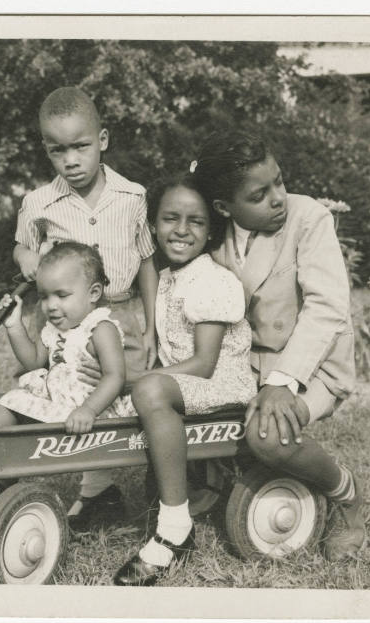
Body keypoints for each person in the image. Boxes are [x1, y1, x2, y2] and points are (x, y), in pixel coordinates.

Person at [195, 129, 363, 563]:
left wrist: (283, 381)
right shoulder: (212, 236)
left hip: (313, 365)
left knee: (268, 436)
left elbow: (328, 307)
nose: (277, 199)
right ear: (223, 207)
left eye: (280, 182)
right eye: (259, 194)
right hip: (246, 364)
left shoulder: (308, 218)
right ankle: (214, 487)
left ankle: (345, 494)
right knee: (185, 407)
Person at [12, 86, 159, 531]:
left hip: (121, 315)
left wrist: (151, 325)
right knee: (68, 393)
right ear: (46, 150)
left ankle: (152, 484)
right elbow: (22, 248)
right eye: (58, 151)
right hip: (67, 322)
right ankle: (93, 491)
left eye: (81, 146)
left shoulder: (132, 196)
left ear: (103, 140)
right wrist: (28, 261)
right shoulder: (38, 202)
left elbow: (147, 259)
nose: (71, 160)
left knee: (123, 399)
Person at [113, 174, 257, 586]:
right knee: (116, 382)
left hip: (220, 383)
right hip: (186, 381)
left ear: (211, 229)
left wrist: (139, 379)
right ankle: (95, 491)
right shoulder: (166, 277)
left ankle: (175, 527)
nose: (181, 229)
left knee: (147, 387)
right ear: (154, 227)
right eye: (170, 218)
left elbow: (204, 363)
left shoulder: (212, 280)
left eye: (195, 221)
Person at [0, 242, 133, 431]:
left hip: (92, 414)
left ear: (93, 293)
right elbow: (33, 363)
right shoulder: (52, 330)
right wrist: (14, 326)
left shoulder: (100, 327)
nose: (51, 305)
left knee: (26, 405)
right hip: (56, 407)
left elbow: (115, 376)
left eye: (61, 295)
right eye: (44, 296)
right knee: (15, 397)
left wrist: (88, 410)